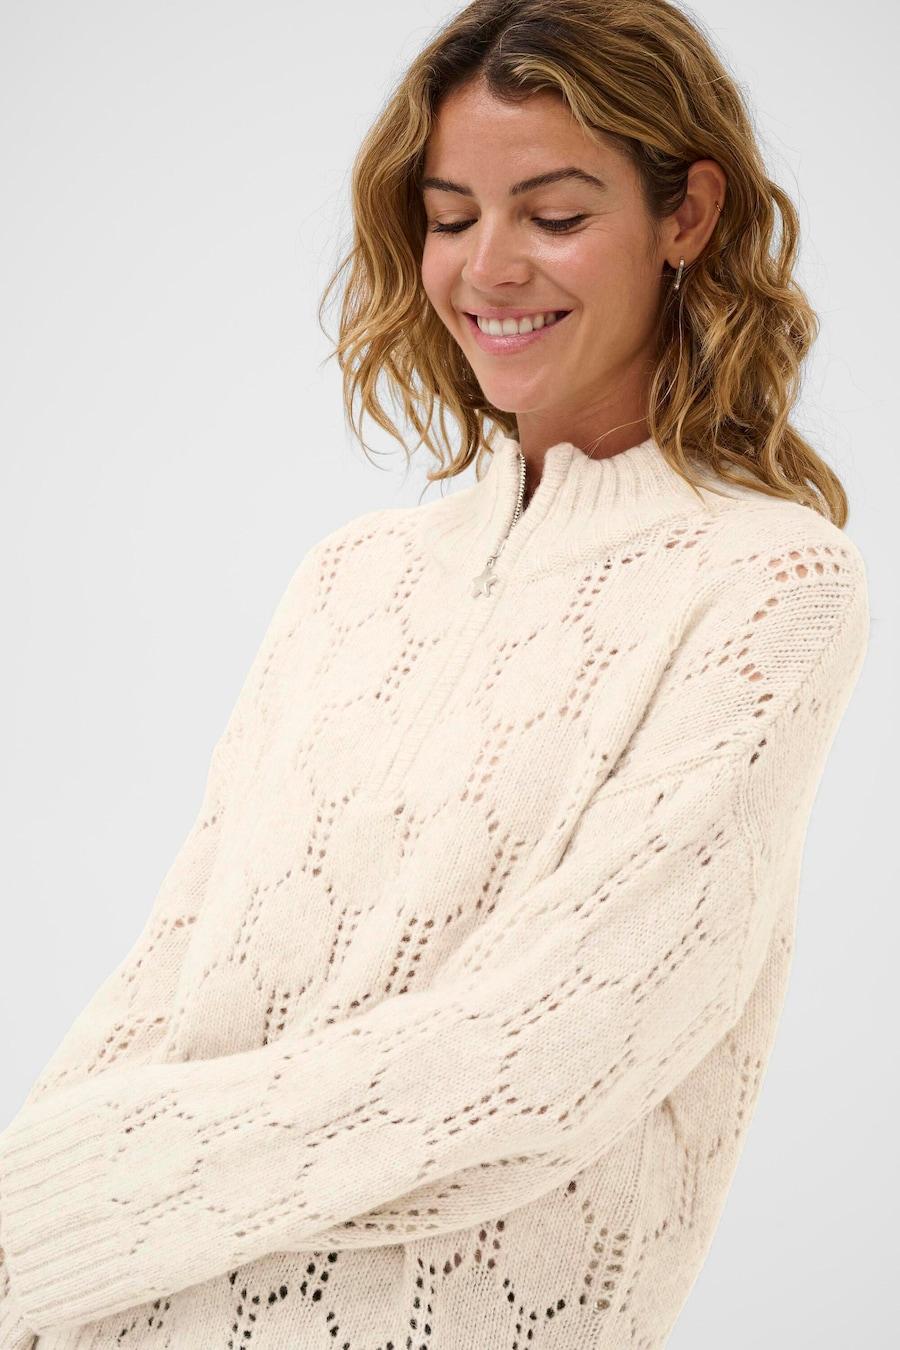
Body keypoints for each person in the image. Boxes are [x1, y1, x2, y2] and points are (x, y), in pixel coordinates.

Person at [0, 1, 869, 1347]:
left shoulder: (766, 582)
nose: (489, 267)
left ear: (686, 215)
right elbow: (166, 982)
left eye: (555, 214)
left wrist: (64, 1201)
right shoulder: (350, 578)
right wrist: (30, 1230)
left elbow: (545, 1058)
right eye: (451, 216)